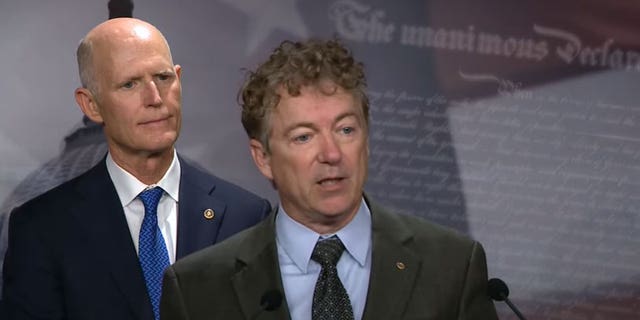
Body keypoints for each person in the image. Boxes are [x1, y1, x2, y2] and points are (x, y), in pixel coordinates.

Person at [160, 39, 498, 319]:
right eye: (304, 137)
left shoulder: (452, 266)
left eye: (346, 130)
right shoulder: (198, 290)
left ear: (366, 139)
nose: (332, 153)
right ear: (263, 158)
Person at [2, 18, 271, 320]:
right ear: (91, 105)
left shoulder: (247, 216)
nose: (155, 98)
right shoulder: (41, 230)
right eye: (129, 84)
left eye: (163, 78)